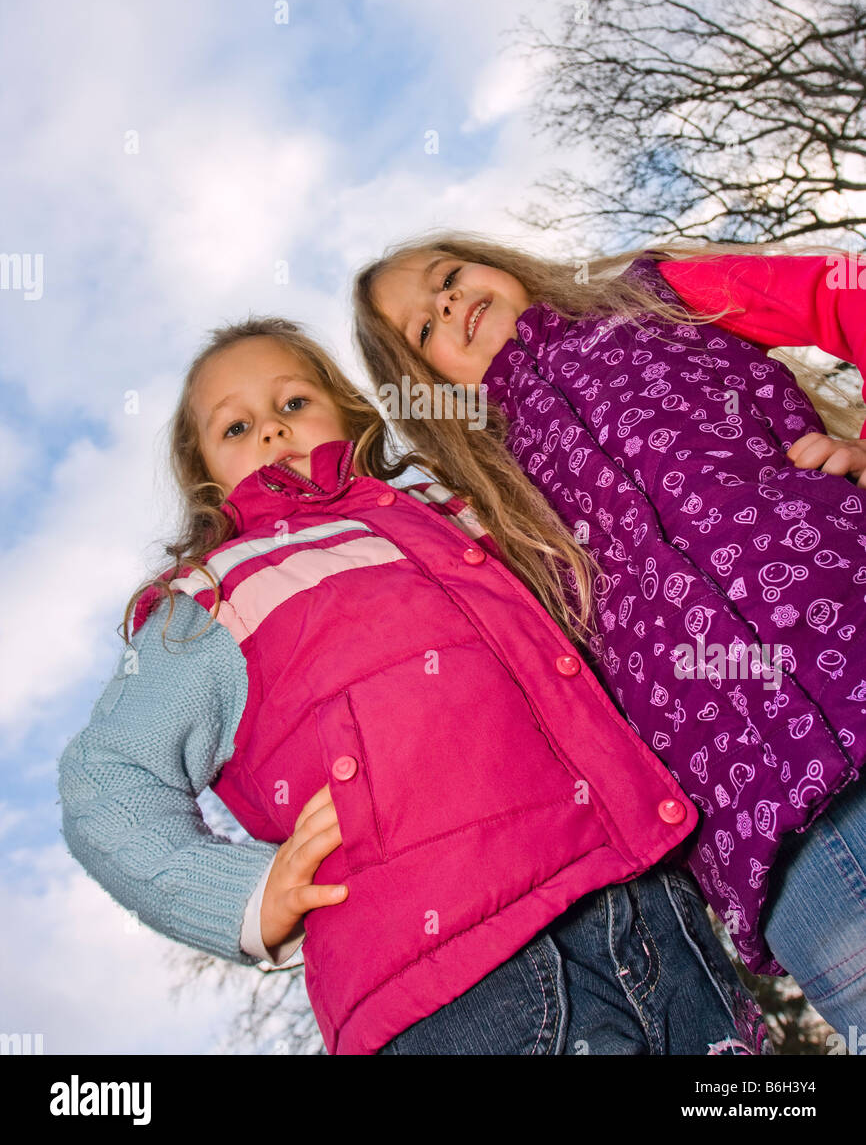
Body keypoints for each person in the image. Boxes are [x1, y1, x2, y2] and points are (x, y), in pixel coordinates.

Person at [57, 315, 770, 1057]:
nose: (271, 430)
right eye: (235, 427)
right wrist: (240, 896)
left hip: (650, 905)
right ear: (204, 472)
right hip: (455, 988)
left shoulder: (454, 516)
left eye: (294, 402)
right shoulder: (212, 599)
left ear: (349, 410)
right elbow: (107, 775)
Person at [355, 234, 866, 1036]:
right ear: (427, 389)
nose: (448, 304)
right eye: (423, 329)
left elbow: (844, 290)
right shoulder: (490, 503)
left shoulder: (654, 296)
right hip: (766, 837)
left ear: (501, 264)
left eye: (449, 279)